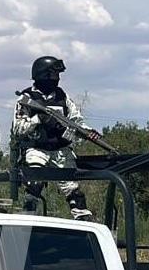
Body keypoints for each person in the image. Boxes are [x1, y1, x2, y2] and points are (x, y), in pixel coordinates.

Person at [12, 56, 92, 220]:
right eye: (54, 75)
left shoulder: (62, 97)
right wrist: (38, 119)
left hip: (61, 151)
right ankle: (27, 221)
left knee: (75, 193)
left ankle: (84, 222)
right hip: (37, 149)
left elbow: (77, 121)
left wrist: (88, 132)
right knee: (34, 184)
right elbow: (18, 129)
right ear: (43, 75)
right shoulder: (27, 98)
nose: (57, 78)